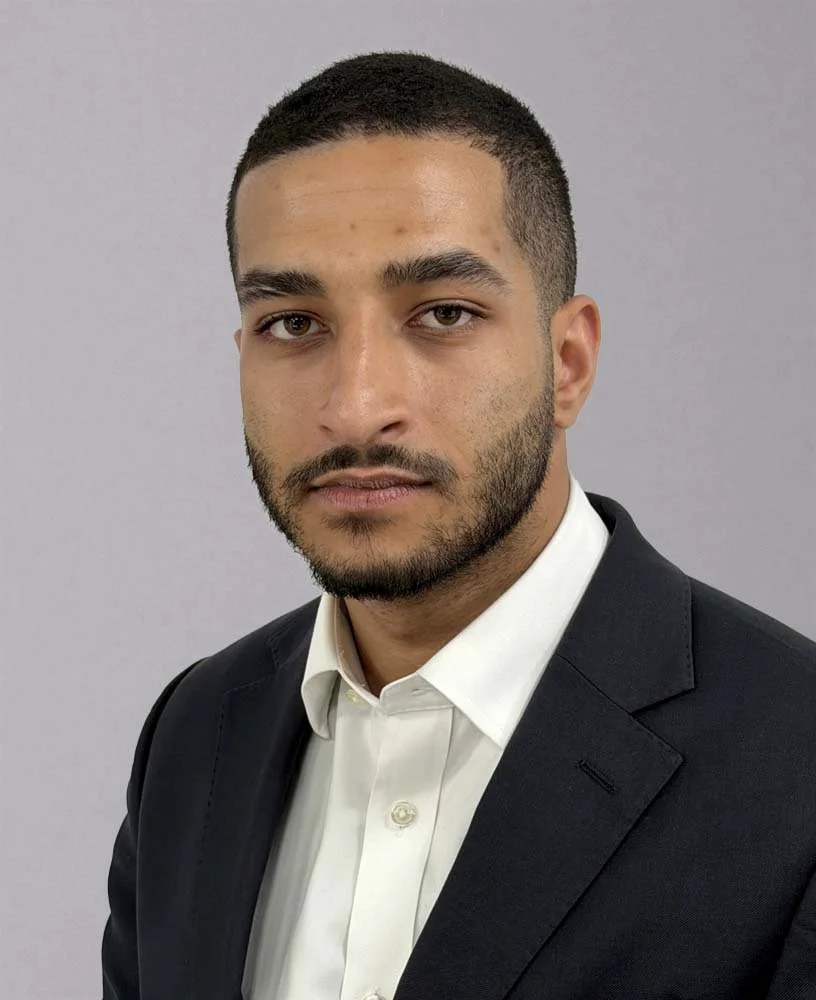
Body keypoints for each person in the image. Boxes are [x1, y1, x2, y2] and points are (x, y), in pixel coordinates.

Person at [101, 51, 816, 999]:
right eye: (292, 324)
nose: (356, 407)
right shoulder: (195, 732)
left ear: (566, 362)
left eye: (442, 312)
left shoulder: (796, 764)